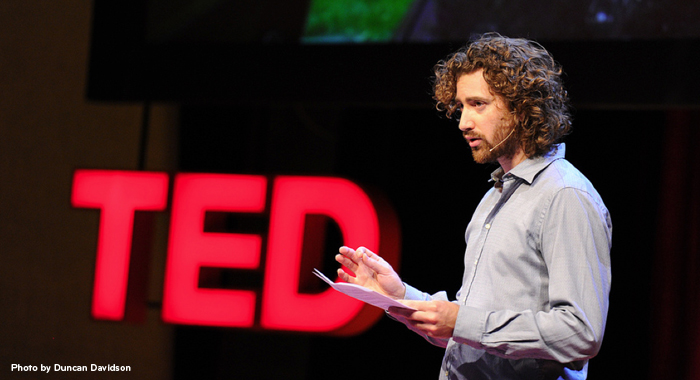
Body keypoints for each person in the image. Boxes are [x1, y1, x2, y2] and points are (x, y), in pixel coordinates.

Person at [335, 33, 612, 380]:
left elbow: (579, 333)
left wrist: (460, 321)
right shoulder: (494, 197)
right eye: (461, 106)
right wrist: (400, 297)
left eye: (478, 104)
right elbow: (470, 330)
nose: (463, 122)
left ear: (521, 107)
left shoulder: (565, 195)